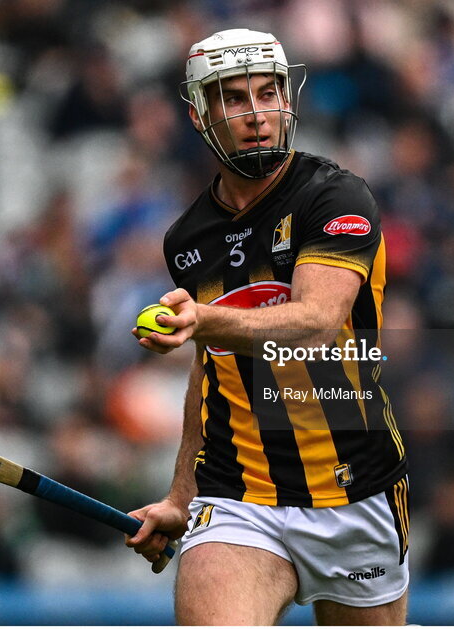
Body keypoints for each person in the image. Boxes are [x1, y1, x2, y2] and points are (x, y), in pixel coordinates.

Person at [123, 29, 409, 625]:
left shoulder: (335, 198)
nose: (257, 115)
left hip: (355, 491)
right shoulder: (188, 238)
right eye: (234, 99)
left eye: (269, 93)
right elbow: (210, 370)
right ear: (201, 115)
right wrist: (181, 497)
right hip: (238, 496)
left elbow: (317, 322)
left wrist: (202, 319)